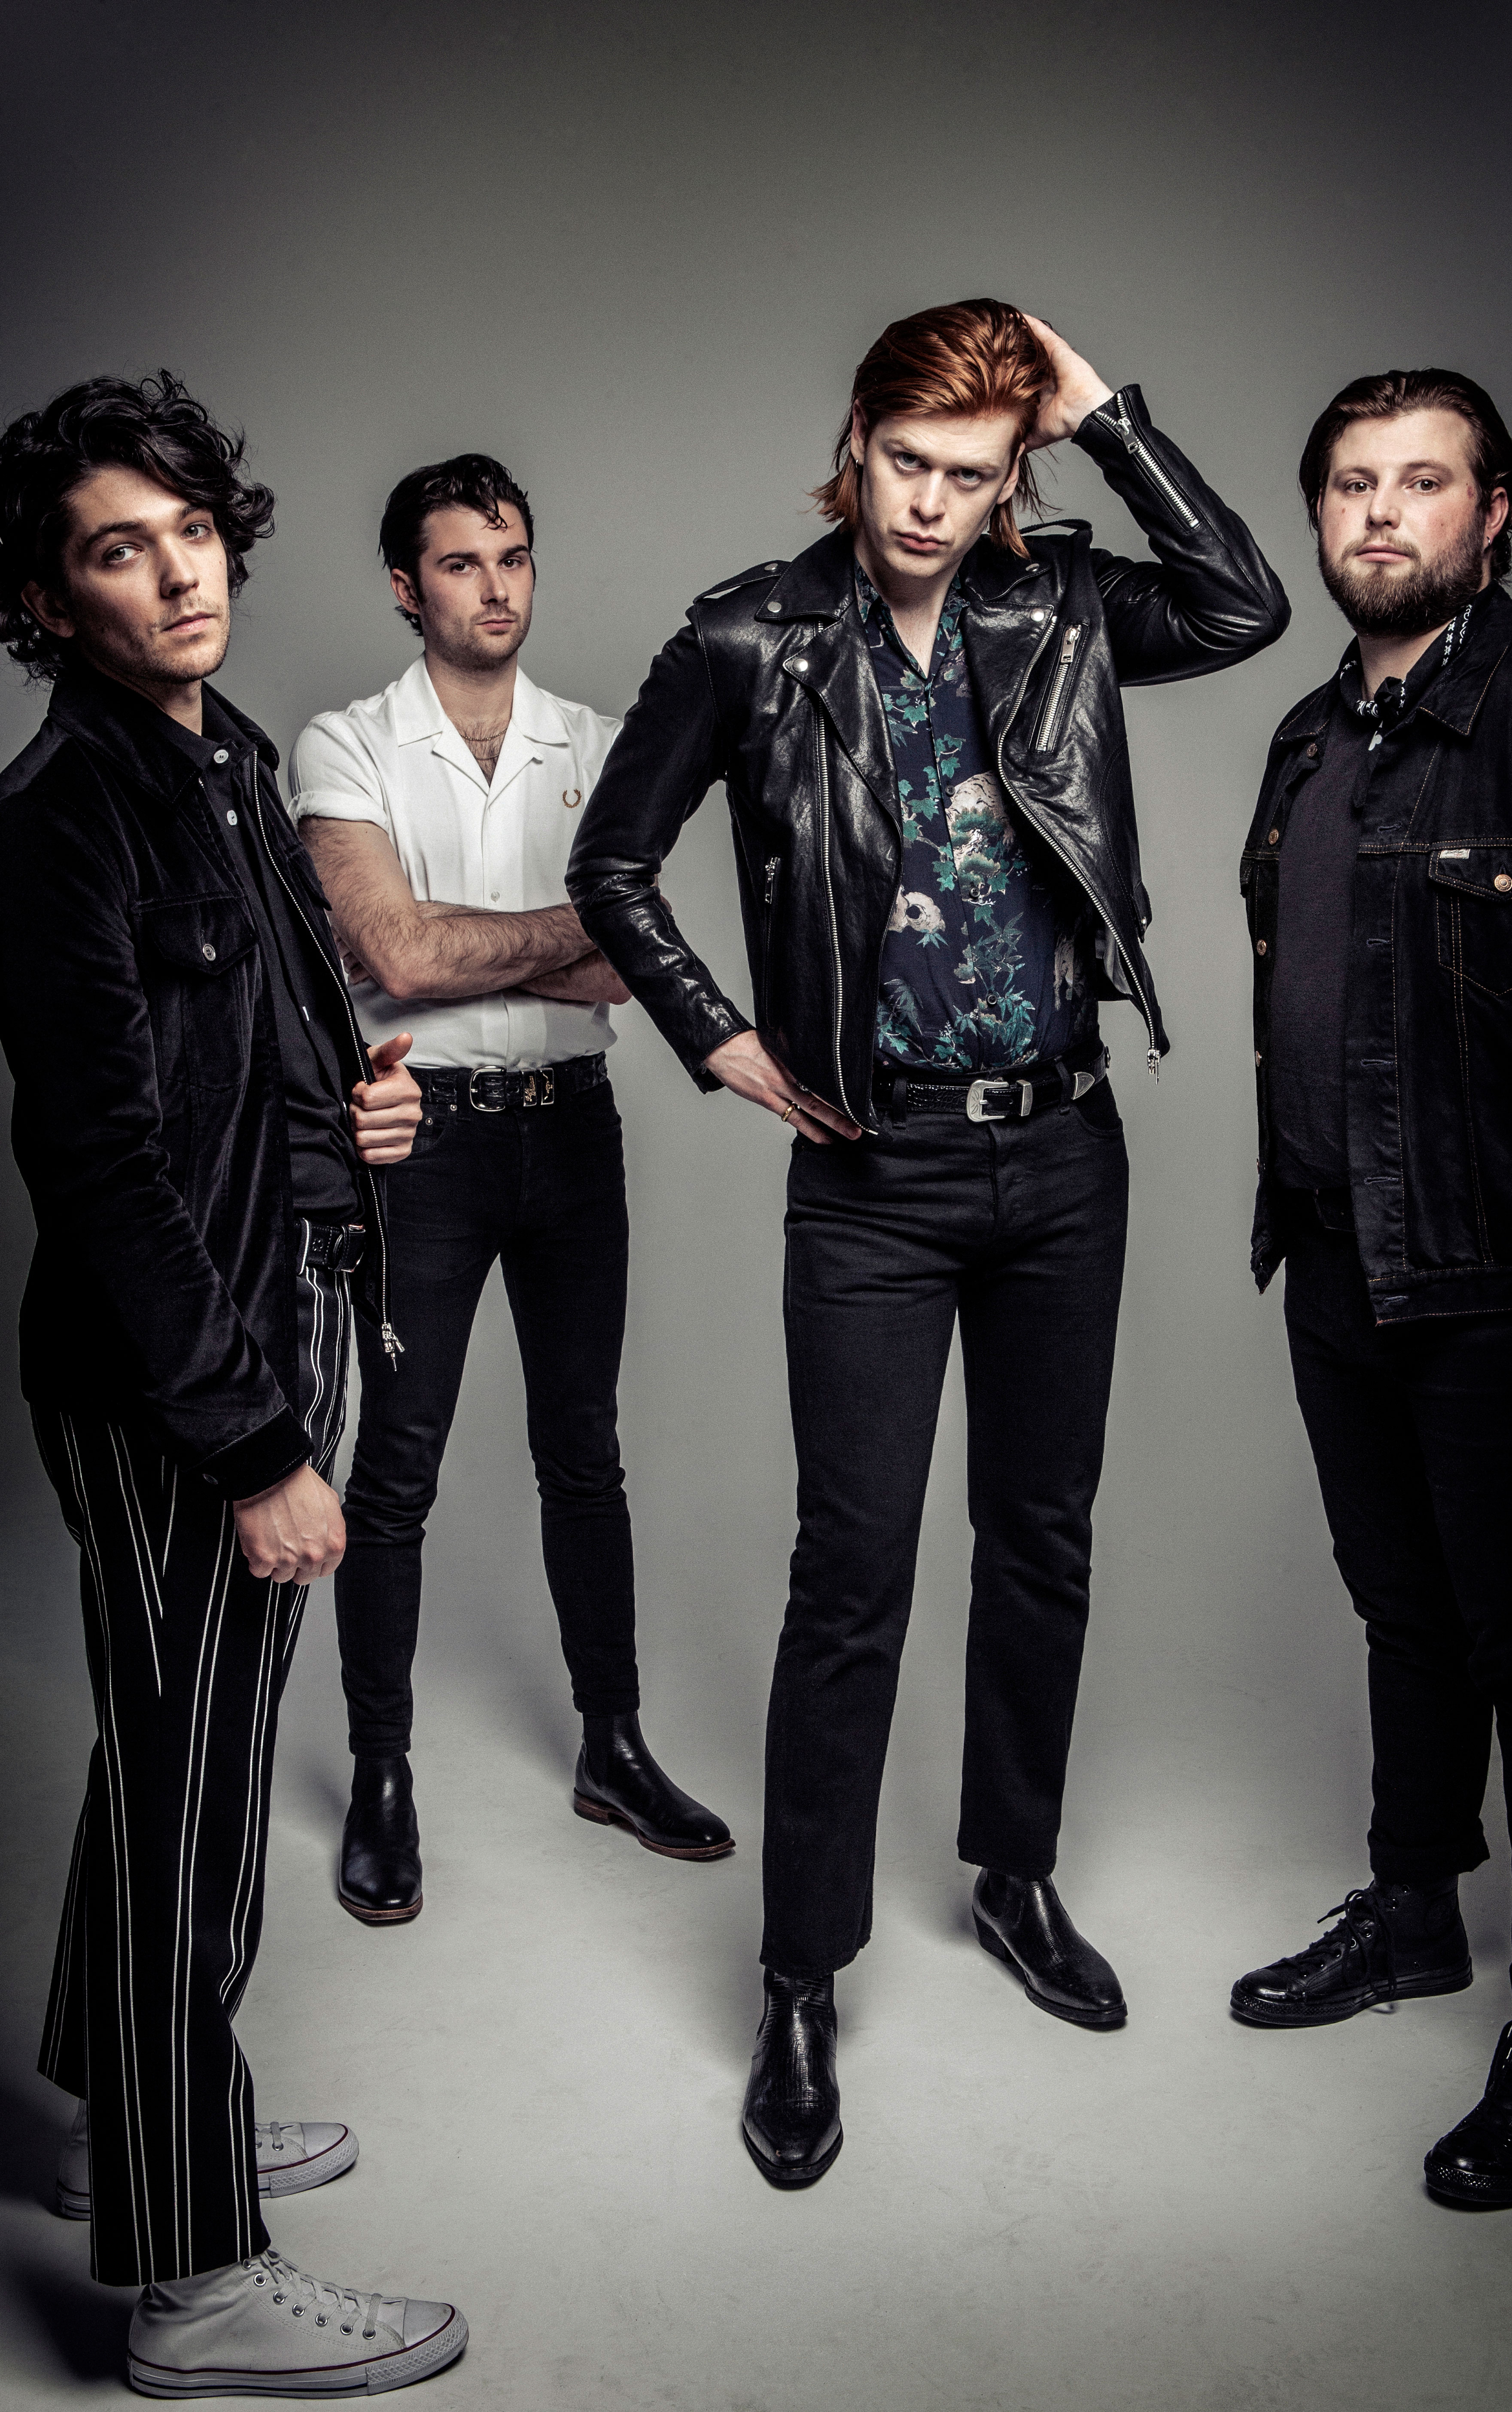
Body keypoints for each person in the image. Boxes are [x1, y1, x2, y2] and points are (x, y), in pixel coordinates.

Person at [566, 298, 1288, 2184]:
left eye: (973, 476)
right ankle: (801, 1977)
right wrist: (719, 1039)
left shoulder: (1061, 610)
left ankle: (1016, 1875)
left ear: (1011, 476)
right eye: (907, 463)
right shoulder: (748, 635)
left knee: (1042, 1539)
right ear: (857, 441)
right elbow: (611, 864)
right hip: (873, 1174)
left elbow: (1243, 606)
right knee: (854, 1574)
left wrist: (1106, 409)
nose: (930, 506)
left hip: (1064, 1154)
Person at [0, 372, 467, 2394]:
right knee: (191, 1811)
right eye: (122, 548)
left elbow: (265, 1044)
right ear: (51, 602)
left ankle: (123, 2126)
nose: (180, 570)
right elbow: (103, 1172)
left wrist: (357, 1119)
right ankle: (195, 2278)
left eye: (192, 528)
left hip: (281, 1317)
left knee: (172, 1764)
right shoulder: (60, 821)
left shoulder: (225, 762)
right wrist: (258, 1446)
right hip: (180, 1382)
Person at [1230, 369, 1512, 2208]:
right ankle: (1412, 1913)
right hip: (1336, 1252)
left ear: (1495, 510)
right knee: (1406, 1612)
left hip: (1508, 1274)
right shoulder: (1310, 737)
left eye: (1425, 481)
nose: (1382, 513)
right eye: (1353, 484)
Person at [288, 453, 730, 1925]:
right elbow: (399, 957)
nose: (497, 587)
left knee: (584, 1452)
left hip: (572, 1131)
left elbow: (629, 971)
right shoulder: (346, 743)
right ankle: (383, 1775)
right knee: (398, 1467)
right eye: (463, 563)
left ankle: (614, 1747)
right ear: (406, 587)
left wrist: (458, 944)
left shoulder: (600, 745)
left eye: (515, 557)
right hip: (422, 1144)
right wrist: (561, 932)